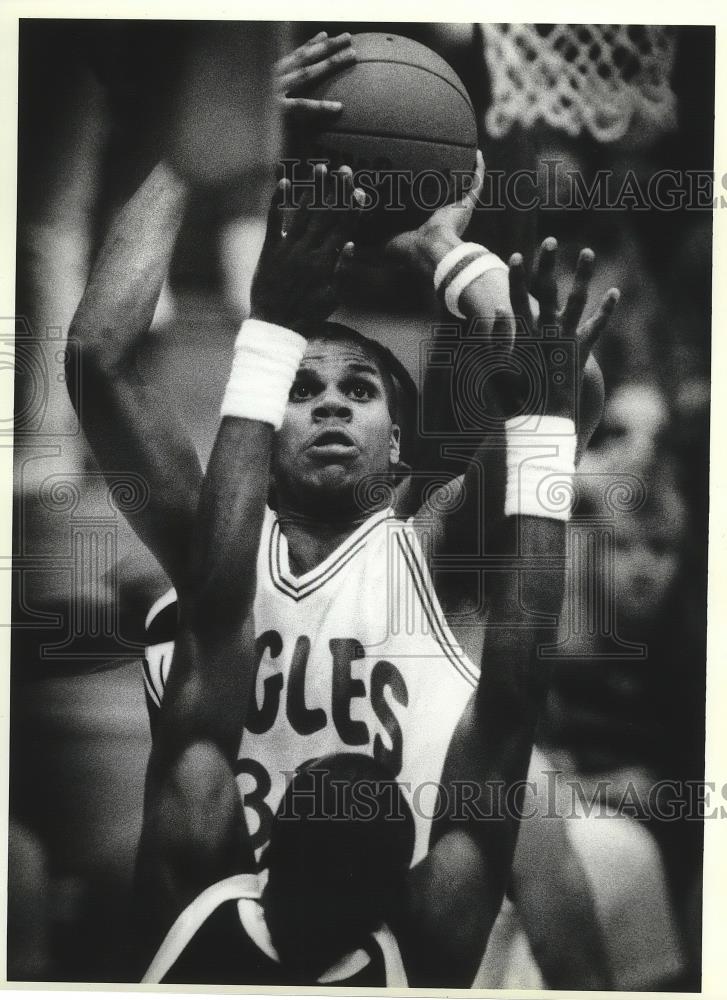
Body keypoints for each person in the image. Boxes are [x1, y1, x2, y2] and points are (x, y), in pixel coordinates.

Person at [129, 163, 618, 983]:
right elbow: (96, 357)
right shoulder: (213, 542)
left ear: (397, 444)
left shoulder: (427, 540)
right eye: (300, 387)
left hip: (395, 894)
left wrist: (448, 255)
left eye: (357, 389)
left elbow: (566, 395)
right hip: (239, 870)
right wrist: (190, 149)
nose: (327, 405)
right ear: (263, 431)